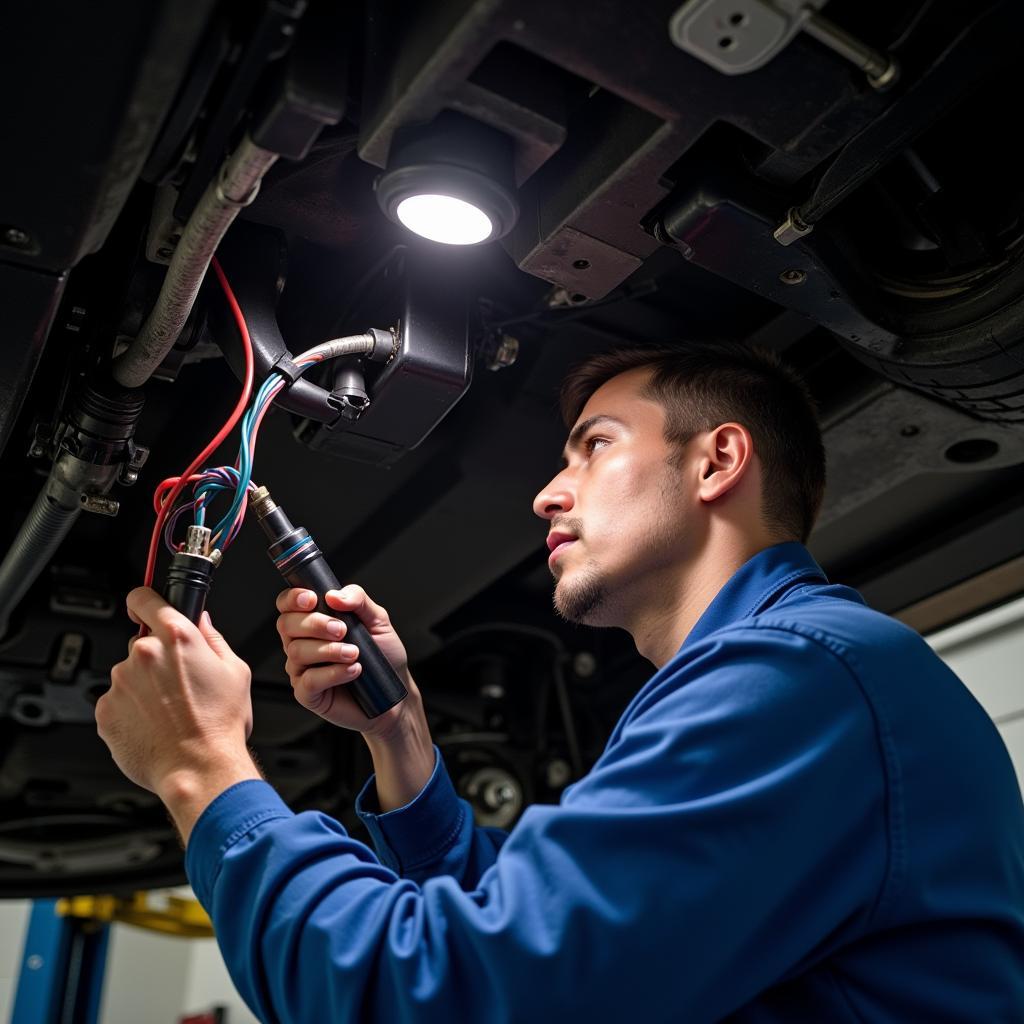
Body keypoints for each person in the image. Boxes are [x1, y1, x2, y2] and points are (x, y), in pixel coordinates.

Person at [96, 344, 1024, 1023]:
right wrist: (402, 739)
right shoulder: (789, 675)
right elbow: (546, 936)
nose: (548, 491)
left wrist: (204, 769)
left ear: (718, 461)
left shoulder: (798, 677)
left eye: (594, 445)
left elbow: (450, 995)